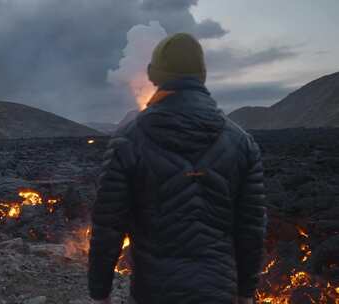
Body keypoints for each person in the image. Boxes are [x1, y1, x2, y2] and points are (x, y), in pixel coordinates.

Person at [87, 33, 267, 304]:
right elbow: (251, 227)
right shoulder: (242, 143)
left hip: (154, 292)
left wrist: (100, 293)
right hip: (219, 292)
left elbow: (108, 226)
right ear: (202, 76)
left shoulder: (129, 140)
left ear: (154, 75)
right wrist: (246, 292)